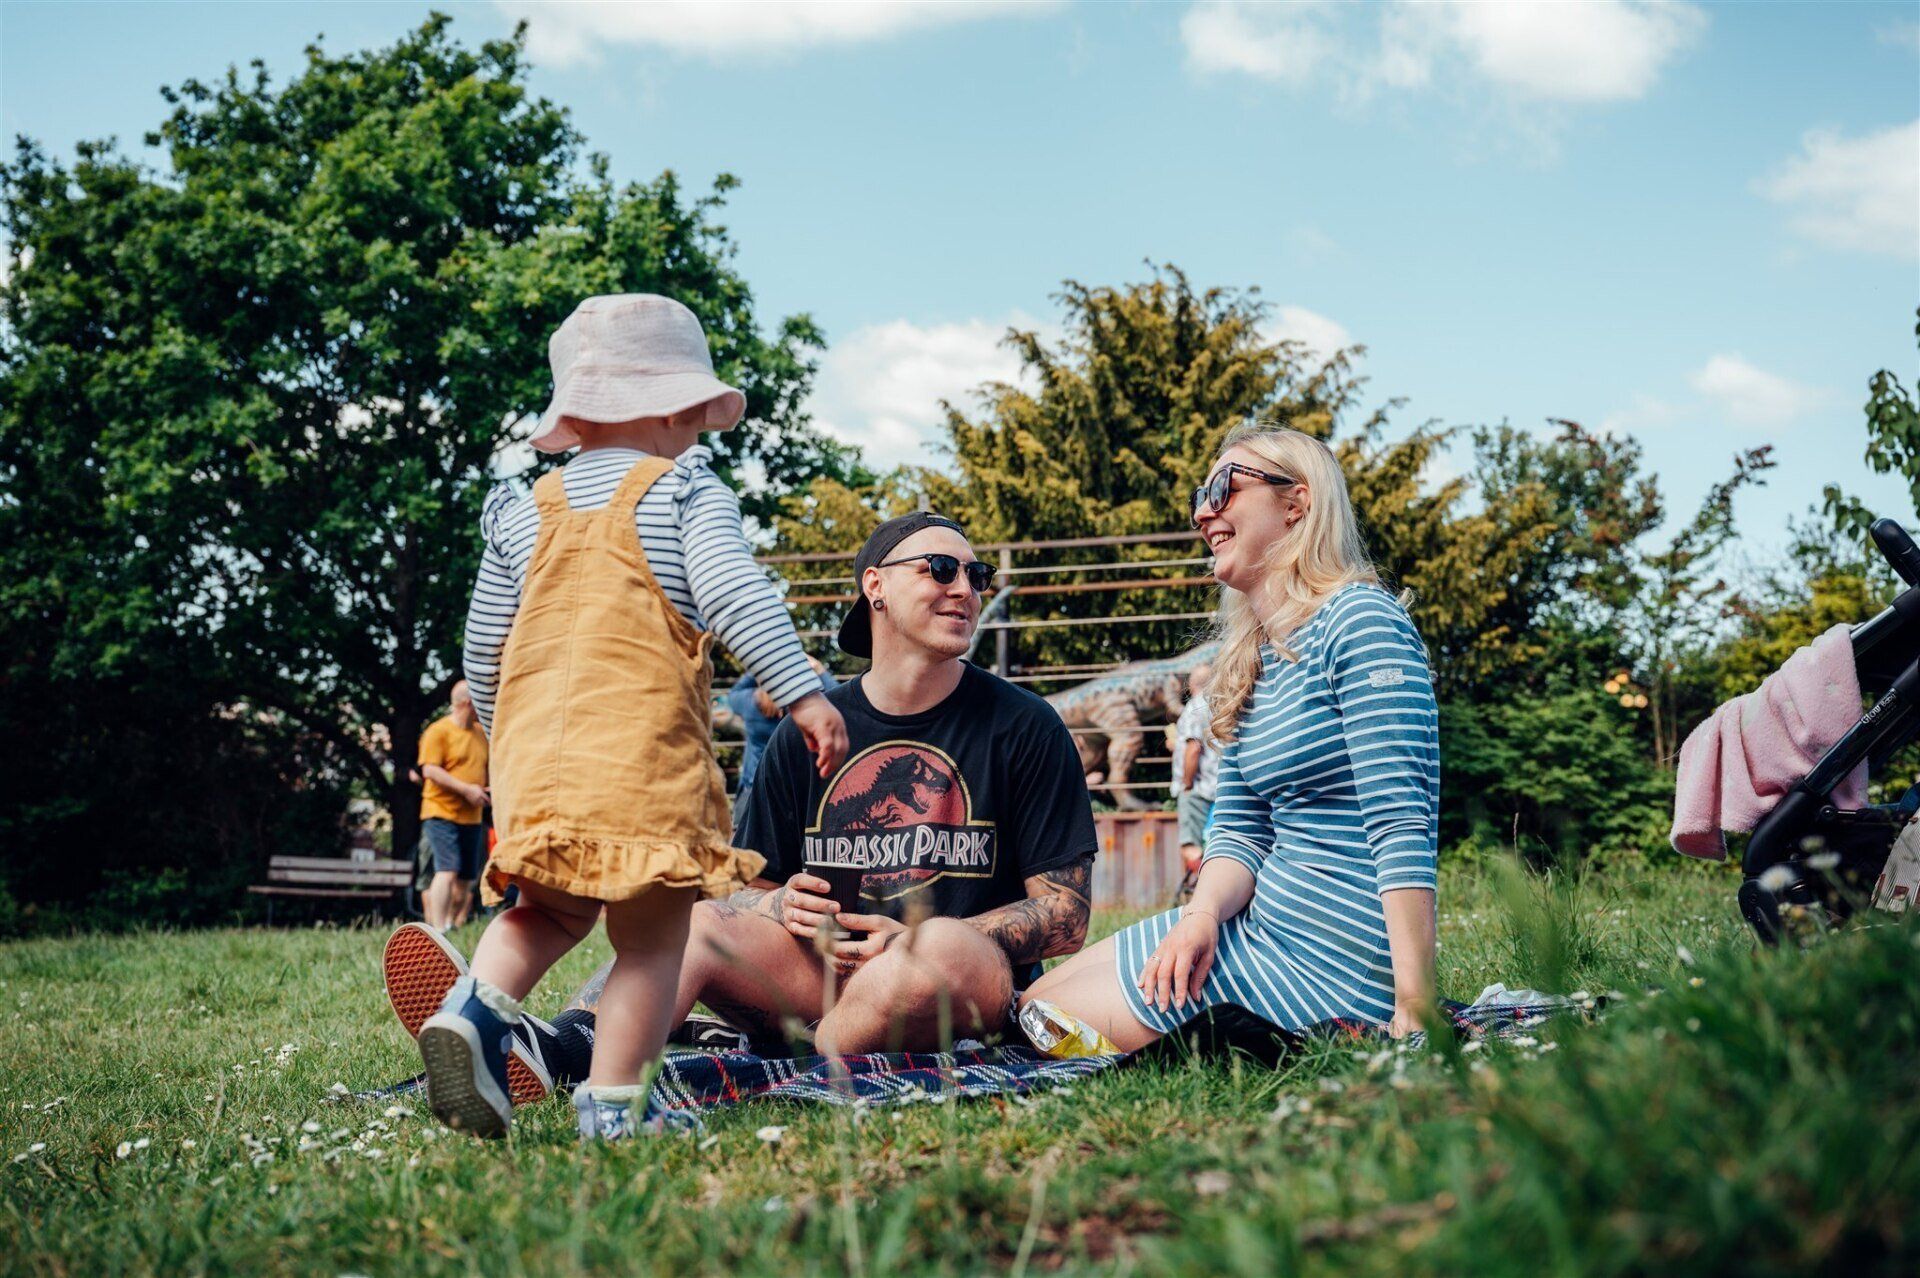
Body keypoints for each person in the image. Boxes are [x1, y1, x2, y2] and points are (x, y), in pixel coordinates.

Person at [382, 511, 1098, 1088]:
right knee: (695, 920)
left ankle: (794, 1064)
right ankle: (561, 1045)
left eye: (976, 574)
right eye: (940, 569)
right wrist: (778, 906)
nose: (966, 587)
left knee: (939, 945)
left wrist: (912, 941)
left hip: (948, 982)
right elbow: (753, 888)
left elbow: (1066, 918)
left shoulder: (1022, 725)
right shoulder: (806, 732)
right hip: (819, 974)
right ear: (875, 586)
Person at [418, 293, 849, 1143]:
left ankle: (473, 1014)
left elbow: (482, 648)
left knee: (545, 913)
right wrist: (801, 690)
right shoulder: (683, 489)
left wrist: (508, 751)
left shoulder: (519, 508)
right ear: (676, 407)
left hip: (538, 759)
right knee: (653, 942)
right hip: (638, 759)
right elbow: (733, 594)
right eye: (694, 416)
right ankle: (612, 1112)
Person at [1022, 420, 1440, 1049]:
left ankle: (1291, 1023)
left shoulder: (1360, 621)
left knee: (1053, 1029)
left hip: (1336, 956)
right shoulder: (1253, 658)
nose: (1202, 511)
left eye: (1223, 487)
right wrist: (1199, 918)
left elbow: (1400, 819)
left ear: (1297, 503)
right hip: (1260, 924)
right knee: (1031, 1005)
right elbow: (1241, 829)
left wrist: (1414, 1001)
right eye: (1199, 494)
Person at [416, 680, 490, 930]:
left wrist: (486, 789)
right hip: (440, 813)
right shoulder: (438, 732)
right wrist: (466, 789)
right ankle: (437, 930)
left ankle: (450, 925)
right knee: (447, 870)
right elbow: (430, 770)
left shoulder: (481, 733)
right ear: (469, 702)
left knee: (466, 880)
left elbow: (484, 771)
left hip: (472, 816)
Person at [729, 654, 836, 821]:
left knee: (743, 844)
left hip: (752, 788)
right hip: (790, 791)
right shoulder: (800, 708)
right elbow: (837, 699)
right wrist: (819, 669)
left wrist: (763, 663)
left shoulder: (749, 702)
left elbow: (733, 695)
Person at [1171, 662, 1217, 888]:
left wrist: (1186, 784)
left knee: (1191, 845)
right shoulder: (1221, 704)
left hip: (1198, 788)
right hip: (1219, 786)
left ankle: (1208, 885)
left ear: (1191, 684)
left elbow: (1194, 749)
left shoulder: (1194, 707)